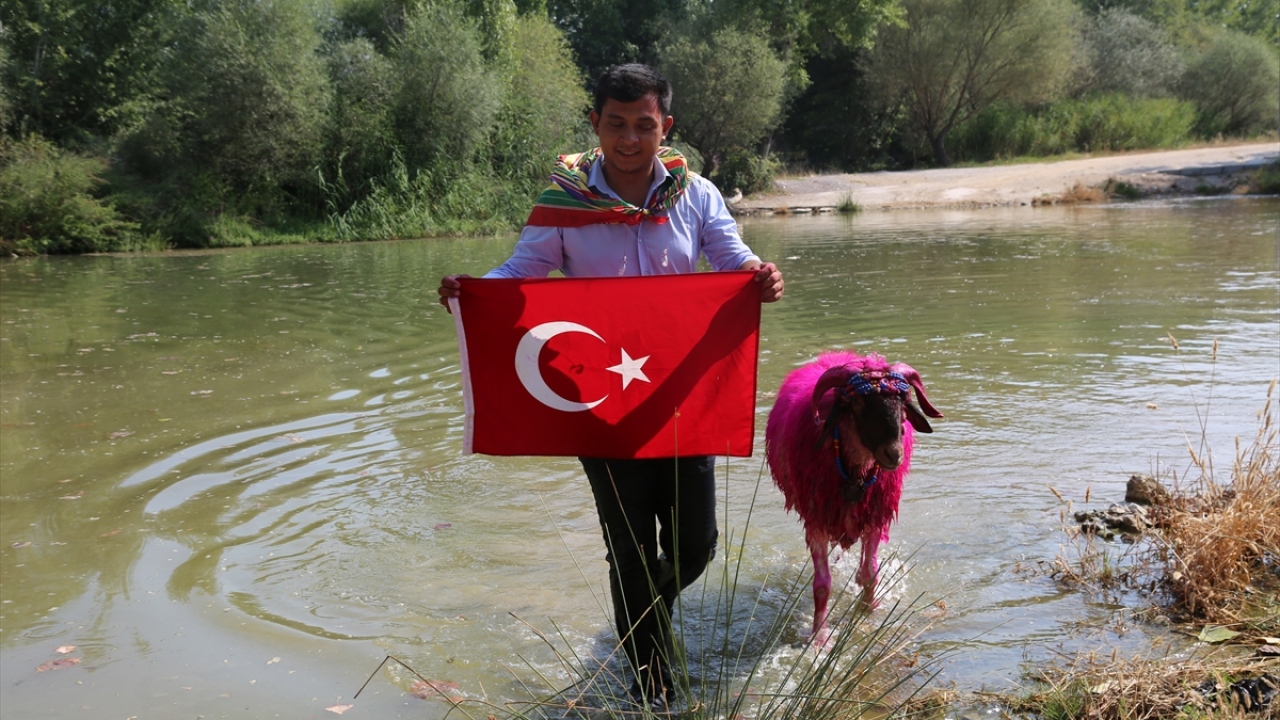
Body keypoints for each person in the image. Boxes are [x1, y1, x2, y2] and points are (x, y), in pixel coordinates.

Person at [437, 63, 783, 707]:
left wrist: (760, 274)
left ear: (665, 127)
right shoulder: (563, 204)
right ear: (595, 124)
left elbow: (731, 258)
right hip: (599, 402)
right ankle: (653, 690)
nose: (629, 139)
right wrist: (474, 293)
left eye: (643, 126)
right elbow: (524, 270)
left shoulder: (696, 195)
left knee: (697, 546)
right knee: (629, 549)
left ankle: (643, 610)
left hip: (680, 399)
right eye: (616, 124)